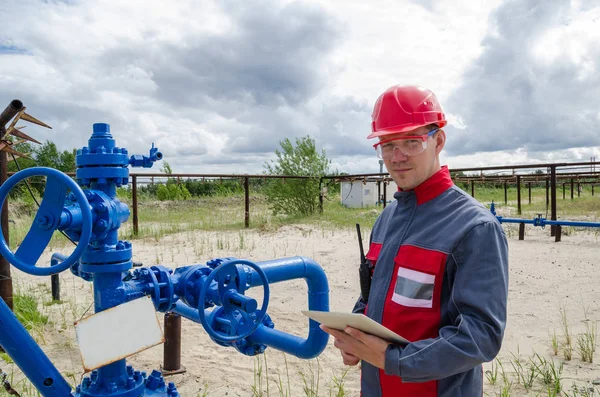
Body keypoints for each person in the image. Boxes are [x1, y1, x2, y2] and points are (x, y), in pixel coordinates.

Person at [321, 85, 509, 397]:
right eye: (387, 145)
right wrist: (354, 337)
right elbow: (372, 298)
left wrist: (391, 359)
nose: (398, 156)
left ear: (439, 141)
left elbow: (481, 336)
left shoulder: (474, 227)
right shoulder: (387, 219)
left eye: (412, 142)